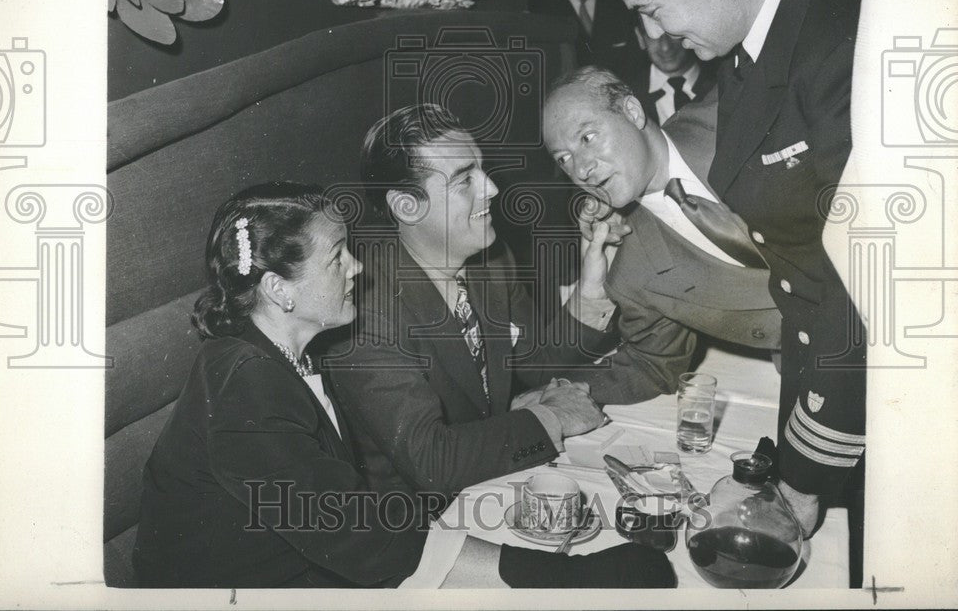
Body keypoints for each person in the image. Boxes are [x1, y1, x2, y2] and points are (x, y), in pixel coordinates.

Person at [133, 182, 676, 589]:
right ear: (279, 289)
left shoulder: (285, 354)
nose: (357, 266)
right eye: (336, 257)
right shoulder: (245, 383)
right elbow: (357, 535)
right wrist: (556, 579)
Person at [600, 0, 866, 542]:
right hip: (821, 382)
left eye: (653, 8)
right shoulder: (755, 45)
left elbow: (862, 285)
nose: (655, 34)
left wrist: (803, 480)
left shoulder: (846, 37)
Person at [325, 104, 617, 514]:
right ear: (408, 206)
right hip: (423, 524)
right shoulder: (362, 309)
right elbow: (431, 462)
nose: (491, 188)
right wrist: (554, 419)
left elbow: (538, 363)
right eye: (465, 179)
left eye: (482, 169)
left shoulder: (490, 260)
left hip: (496, 481)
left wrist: (591, 284)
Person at [540, 65, 782, 404]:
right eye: (564, 159)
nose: (581, 169)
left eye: (587, 138)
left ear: (632, 111)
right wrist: (545, 398)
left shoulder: (737, 111)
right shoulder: (632, 267)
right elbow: (652, 366)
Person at [631, 13, 720, 124]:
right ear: (640, 37)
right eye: (652, 36)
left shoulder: (723, 84)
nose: (665, 47)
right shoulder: (631, 96)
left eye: (671, 34)